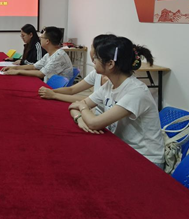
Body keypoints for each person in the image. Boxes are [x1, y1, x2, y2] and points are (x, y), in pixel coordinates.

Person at [68, 35, 165, 168]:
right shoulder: (110, 85)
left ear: (110, 64)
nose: (93, 60)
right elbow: (74, 107)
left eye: (96, 57)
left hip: (146, 160)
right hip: (121, 147)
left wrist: (82, 108)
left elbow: (93, 123)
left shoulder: (136, 92)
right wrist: (79, 118)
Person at [38, 34, 115, 103]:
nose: (92, 54)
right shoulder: (96, 73)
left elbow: (91, 100)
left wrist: (54, 95)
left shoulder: (115, 82)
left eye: (92, 47)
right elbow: (72, 89)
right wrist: (51, 92)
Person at [1, 26, 72, 82]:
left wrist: (18, 71)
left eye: (41, 37)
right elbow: (34, 66)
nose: (40, 39)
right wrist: (14, 68)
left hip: (56, 89)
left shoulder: (58, 56)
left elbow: (41, 74)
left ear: (47, 41)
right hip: (48, 85)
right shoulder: (48, 55)